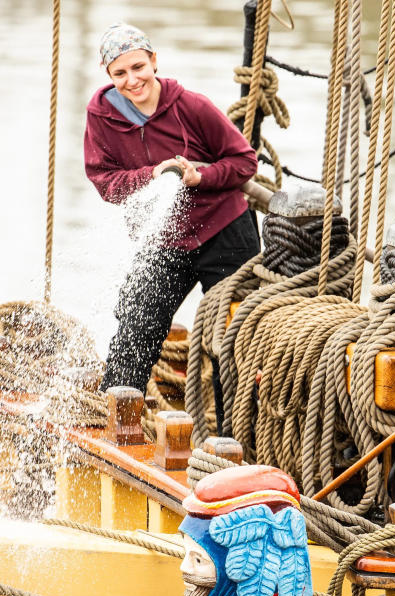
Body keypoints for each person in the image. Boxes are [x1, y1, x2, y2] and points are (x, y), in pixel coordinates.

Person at [84, 23, 260, 395]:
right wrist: (153, 175)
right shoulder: (101, 116)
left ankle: (230, 444)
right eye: (120, 73)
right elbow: (105, 181)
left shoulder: (191, 106)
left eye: (139, 67)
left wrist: (202, 178)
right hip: (163, 237)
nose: (132, 80)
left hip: (224, 232)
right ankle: (115, 418)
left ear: (154, 61)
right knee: (136, 325)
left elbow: (244, 161)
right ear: (108, 75)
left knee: (229, 342)